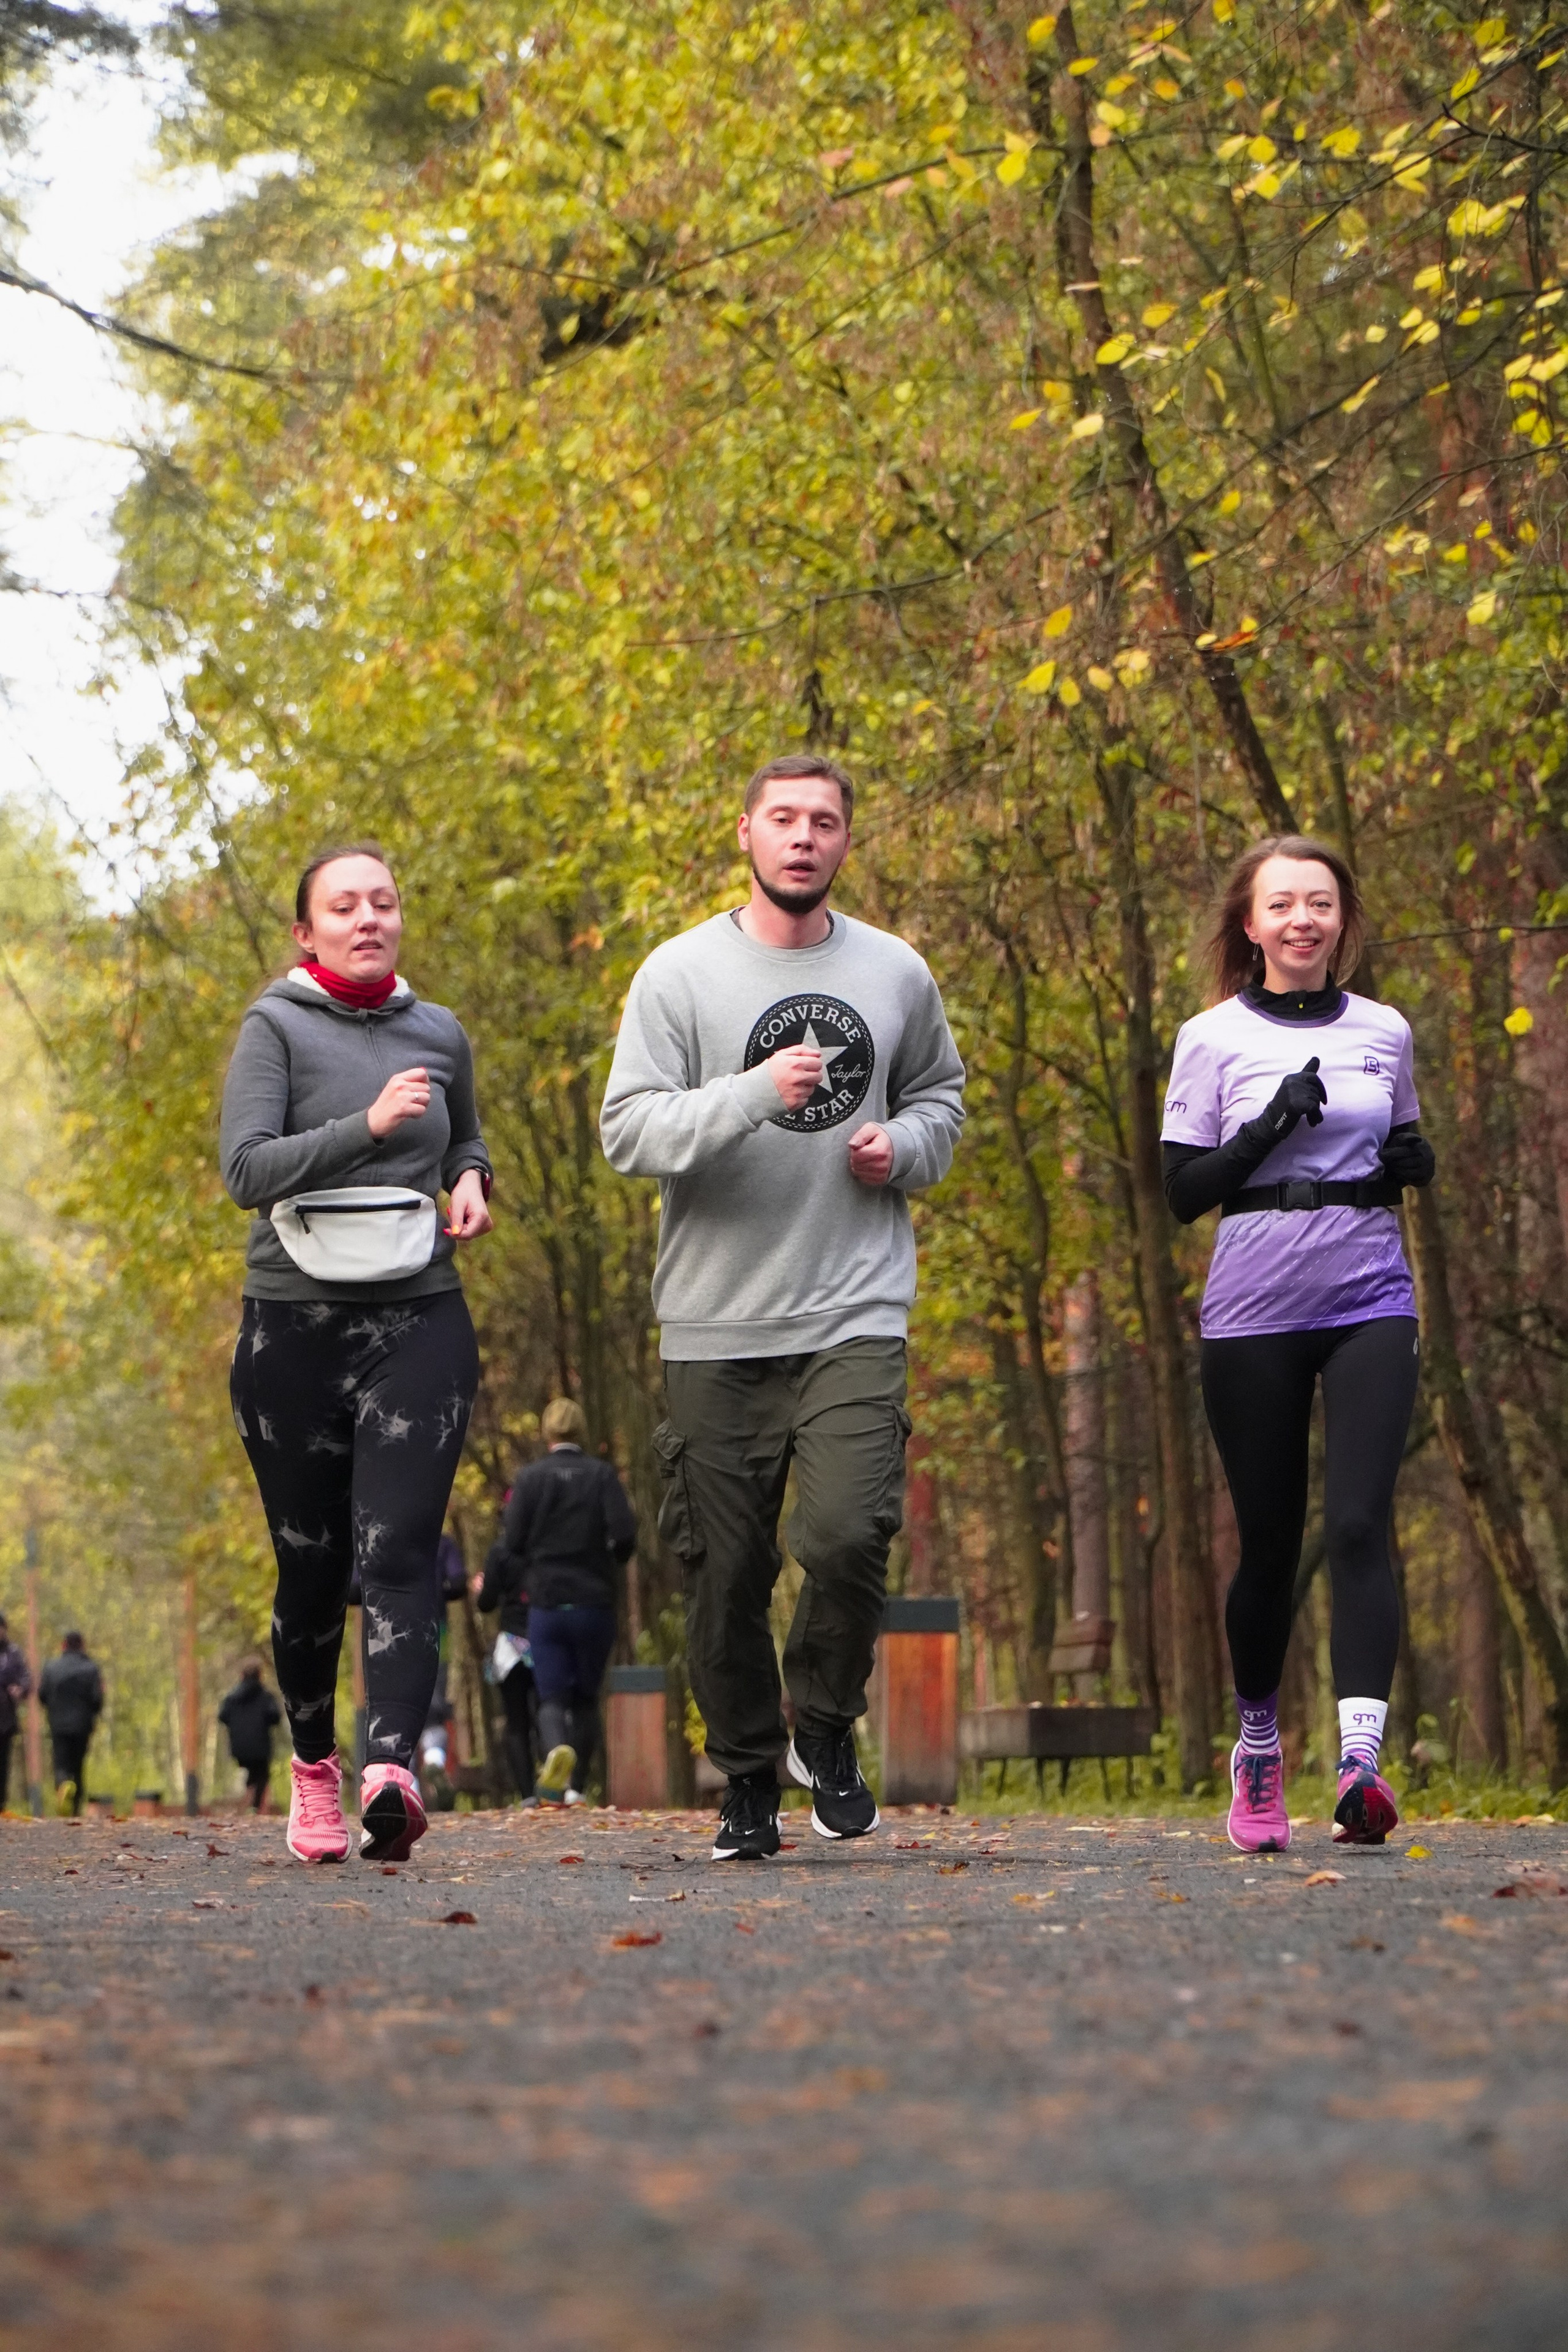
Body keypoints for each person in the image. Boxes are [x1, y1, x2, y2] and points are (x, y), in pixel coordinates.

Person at [600, 753, 965, 1861]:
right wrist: (756, 1096)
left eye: (826, 822)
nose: (804, 838)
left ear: (847, 842)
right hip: (717, 1319)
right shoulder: (678, 976)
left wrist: (899, 1146)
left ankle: (824, 1721)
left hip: (855, 1307)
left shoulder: (897, 972)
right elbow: (629, 1132)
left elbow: (943, 1102)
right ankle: (750, 1776)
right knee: (724, 1578)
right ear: (747, 834)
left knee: (851, 1532)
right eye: (785, 820)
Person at [221, 842, 494, 1865]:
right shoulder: (275, 1027)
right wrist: (367, 1127)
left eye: (383, 901)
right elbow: (247, 1169)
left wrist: (472, 1182)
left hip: (418, 1317)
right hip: (292, 1331)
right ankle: (315, 1772)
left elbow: (465, 1140)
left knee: (401, 1548)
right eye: (345, 905)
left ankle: (390, 1767)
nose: (369, 917)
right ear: (307, 932)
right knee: (311, 1571)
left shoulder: (440, 1030)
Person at [1161, 835, 1436, 1854]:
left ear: (1342, 920)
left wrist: (1418, 1159)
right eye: (1282, 906)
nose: (1302, 921)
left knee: (1363, 1523)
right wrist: (1269, 1126)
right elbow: (1185, 1193)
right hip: (1253, 1308)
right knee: (1271, 1544)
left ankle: (1362, 1762)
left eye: (1319, 904)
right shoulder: (1211, 1037)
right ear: (1251, 925)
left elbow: (1396, 1144)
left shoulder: (1384, 1030)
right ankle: (1260, 1744)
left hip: (1371, 1295)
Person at [477, 1398, 637, 1805]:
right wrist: (607, 1562)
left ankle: (555, 1756)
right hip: (594, 1604)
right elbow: (625, 1537)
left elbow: (512, 1542)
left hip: (547, 1604)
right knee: (585, 1699)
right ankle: (577, 1788)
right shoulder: (602, 1477)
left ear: (546, 1432)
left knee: (551, 1698)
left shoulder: (530, 1480)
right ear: (580, 1430)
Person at [39, 1631, 103, 1816]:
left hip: (58, 1724)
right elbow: (97, 1699)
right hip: (82, 1725)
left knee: (61, 1763)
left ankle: (63, 1785)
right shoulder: (91, 1669)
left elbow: (42, 1695)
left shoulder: (51, 1668)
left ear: (64, 1645)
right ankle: (75, 1808)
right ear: (82, 1645)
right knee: (78, 1765)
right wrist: (93, 1716)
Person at [217, 1657, 282, 1811]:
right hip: (260, 1746)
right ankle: (255, 1806)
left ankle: (247, 1799)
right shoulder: (266, 1697)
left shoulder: (231, 1698)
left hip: (239, 1747)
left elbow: (222, 1716)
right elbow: (275, 1717)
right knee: (262, 1773)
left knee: (252, 1771)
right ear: (260, 1675)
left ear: (242, 1675)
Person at [0, 1611, 32, 1813]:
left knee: (3, 1763)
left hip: (5, 1718)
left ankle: (1, 1803)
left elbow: (26, 1678)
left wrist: (20, 1689)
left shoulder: (13, 1653)